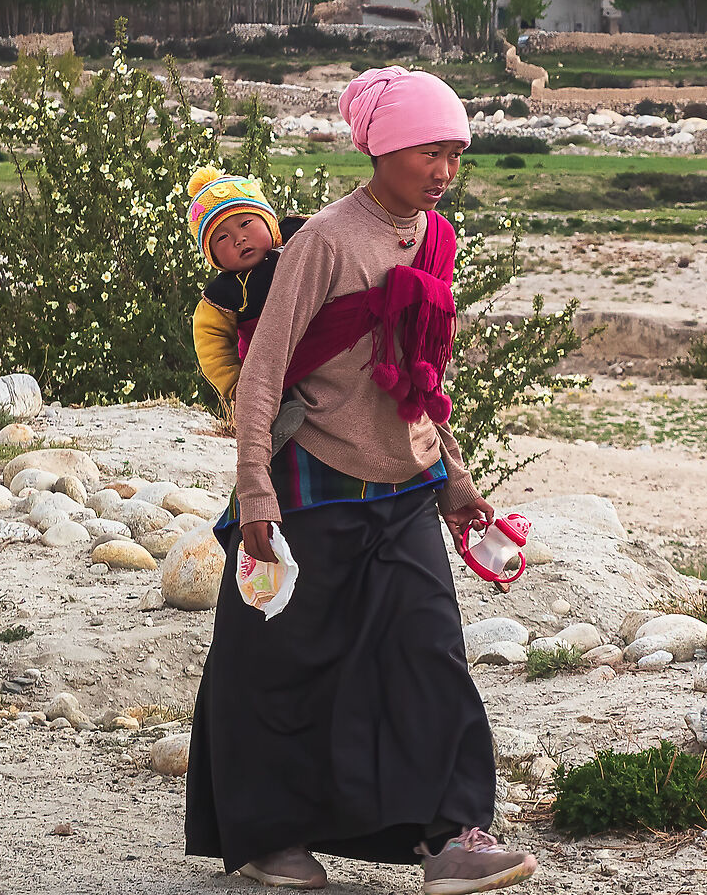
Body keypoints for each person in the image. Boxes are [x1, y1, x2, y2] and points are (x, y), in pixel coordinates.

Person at [185, 67, 537, 893]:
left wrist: (453, 477)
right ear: (380, 149)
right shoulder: (326, 242)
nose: (444, 171)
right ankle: (269, 839)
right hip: (311, 479)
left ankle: (449, 836)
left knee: (430, 653)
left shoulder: (433, 238)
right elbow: (263, 373)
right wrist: (256, 495)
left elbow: (417, 374)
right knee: (282, 659)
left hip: (402, 486)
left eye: (455, 154)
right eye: (428, 152)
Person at [184, 166, 307, 415]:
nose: (239, 238)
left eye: (246, 223)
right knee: (276, 404)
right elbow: (212, 345)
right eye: (222, 238)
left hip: (325, 344)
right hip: (275, 371)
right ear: (213, 257)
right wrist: (239, 386)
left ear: (269, 222)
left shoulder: (301, 238)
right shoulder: (224, 294)